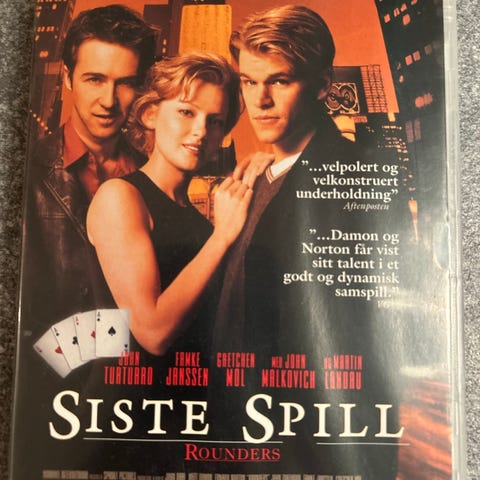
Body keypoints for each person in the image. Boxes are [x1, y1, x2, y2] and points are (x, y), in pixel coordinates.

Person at [211, 5, 400, 478]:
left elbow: (358, 338)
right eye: (249, 82)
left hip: (306, 442)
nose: (260, 101)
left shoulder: (358, 174)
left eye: (280, 81)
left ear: (321, 85)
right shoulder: (254, 177)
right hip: (244, 430)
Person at [87, 52, 251, 361]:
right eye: (187, 112)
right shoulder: (119, 197)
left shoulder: (199, 223)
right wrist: (222, 236)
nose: (201, 131)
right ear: (150, 114)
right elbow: (153, 333)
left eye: (215, 121)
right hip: (131, 391)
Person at [22, 5, 156, 334]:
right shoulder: (25, 176)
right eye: (95, 79)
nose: (108, 101)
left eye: (125, 83)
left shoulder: (153, 171)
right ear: (67, 78)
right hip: (57, 363)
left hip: (137, 362)